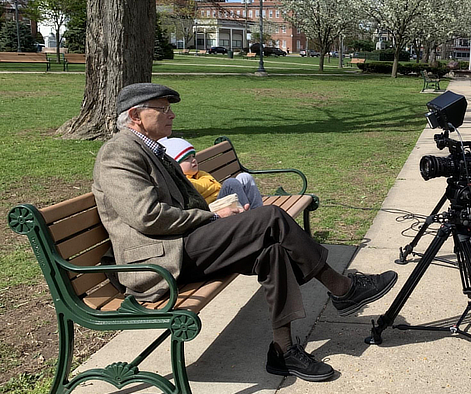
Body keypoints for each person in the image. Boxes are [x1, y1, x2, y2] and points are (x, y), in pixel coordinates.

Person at [92, 83, 398, 382]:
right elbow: (146, 217)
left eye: (170, 109)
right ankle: (342, 288)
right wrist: (213, 215)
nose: (171, 115)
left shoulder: (151, 150)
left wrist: (225, 216)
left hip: (179, 246)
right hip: (156, 263)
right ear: (135, 116)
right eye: (163, 109)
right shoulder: (118, 153)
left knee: (272, 250)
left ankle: (284, 349)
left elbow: (186, 203)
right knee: (272, 217)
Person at [159, 136, 264, 209]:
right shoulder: (184, 182)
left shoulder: (199, 174)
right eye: (187, 159)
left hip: (222, 202)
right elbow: (211, 186)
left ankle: (258, 211)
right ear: (175, 165)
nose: (194, 160)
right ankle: (249, 217)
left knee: (244, 176)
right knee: (231, 183)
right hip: (213, 210)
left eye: (193, 156)